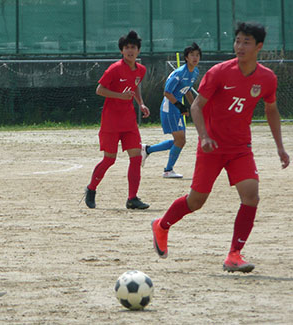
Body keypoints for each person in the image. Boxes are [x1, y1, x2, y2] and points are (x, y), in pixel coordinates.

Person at [151, 22, 290, 273]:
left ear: (258, 46)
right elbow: (195, 106)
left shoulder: (267, 78)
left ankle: (234, 254)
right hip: (211, 146)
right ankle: (162, 225)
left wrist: (280, 147)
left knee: (251, 195)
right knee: (196, 201)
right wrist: (203, 136)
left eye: (246, 42)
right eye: (237, 40)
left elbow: (271, 110)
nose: (240, 46)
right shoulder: (219, 72)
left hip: (240, 147)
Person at [84, 30, 150, 210]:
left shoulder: (141, 70)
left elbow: (135, 87)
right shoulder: (114, 69)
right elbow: (99, 89)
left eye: (133, 47)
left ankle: (132, 198)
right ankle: (91, 188)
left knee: (136, 158)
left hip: (129, 121)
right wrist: (120, 96)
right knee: (109, 160)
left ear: (138, 51)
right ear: (122, 51)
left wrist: (141, 104)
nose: (130, 50)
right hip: (111, 121)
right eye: (127, 47)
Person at [144, 43, 201, 178]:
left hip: (177, 107)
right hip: (170, 107)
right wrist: (180, 106)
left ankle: (147, 150)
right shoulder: (179, 73)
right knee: (180, 140)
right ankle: (167, 170)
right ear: (186, 57)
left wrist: (193, 106)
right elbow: (167, 92)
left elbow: (186, 91)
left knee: (180, 141)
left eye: (197, 55)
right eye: (192, 55)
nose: (195, 57)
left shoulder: (195, 72)